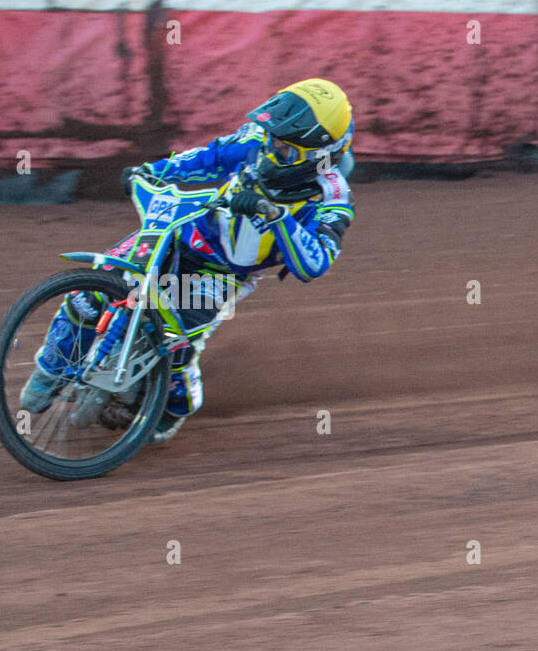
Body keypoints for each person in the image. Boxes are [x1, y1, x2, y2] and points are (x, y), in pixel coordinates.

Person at [20, 78, 355, 442]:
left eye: (285, 149)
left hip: (223, 273)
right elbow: (207, 158)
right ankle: (51, 371)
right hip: (182, 230)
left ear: (318, 155)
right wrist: (153, 171)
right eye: (271, 137)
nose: (271, 150)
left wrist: (276, 216)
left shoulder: (332, 198)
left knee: (172, 342)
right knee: (92, 293)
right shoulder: (256, 142)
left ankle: (174, 403)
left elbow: (316, 262)